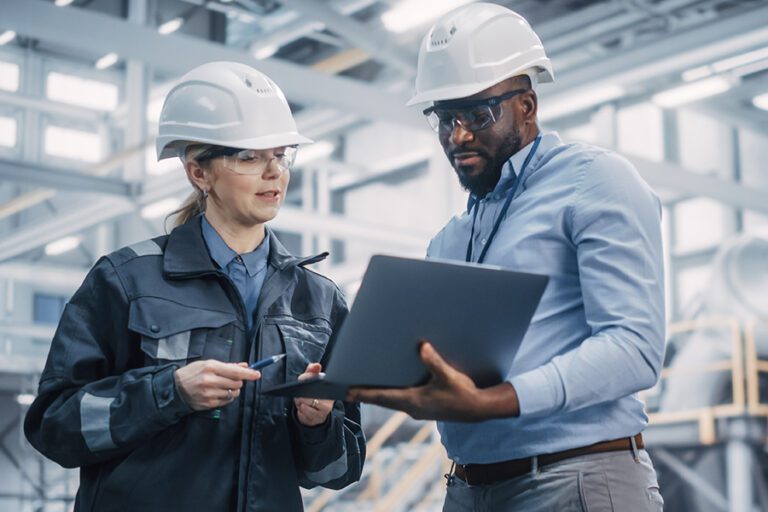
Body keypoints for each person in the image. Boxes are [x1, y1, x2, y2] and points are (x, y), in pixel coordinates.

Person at [349, 3, 665, 511]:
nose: (459, 136)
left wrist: (492, 403)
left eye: (478, 114)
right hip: (469, 489)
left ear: (528, 106)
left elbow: (634, 348)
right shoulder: (449, 241)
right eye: (445, 117)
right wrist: (358, 374)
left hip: (575, 479)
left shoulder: (595, 182)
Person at [24, 61, 365, 512]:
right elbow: (55, 427)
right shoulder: (127, 279)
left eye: (281, 155)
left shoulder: (319, 303)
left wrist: (317, 423)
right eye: (249, 156)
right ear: (199, 174)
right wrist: (171, 391)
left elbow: (338, 473)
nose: (273, 172)